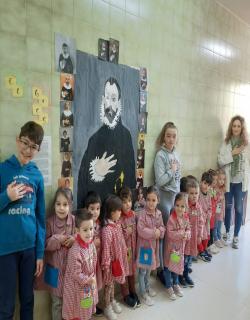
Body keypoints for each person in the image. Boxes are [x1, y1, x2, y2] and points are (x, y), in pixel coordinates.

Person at [0, 121, 45, 319]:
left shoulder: (36, 175)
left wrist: (40, 253)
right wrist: (6, 197)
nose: (28, 150)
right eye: (25, 143)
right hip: (6, 249)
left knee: (28, 300)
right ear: (18, 141)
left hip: (30, 249)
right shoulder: (3, 169)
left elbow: (41, 217)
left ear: (38, 149)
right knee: (6, 304)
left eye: (34, 147)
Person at [77, 77, 136, 207]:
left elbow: (131, 179)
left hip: (119, 210)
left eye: (113, 99)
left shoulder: (126, 136)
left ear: (119, 103)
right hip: (98, 210)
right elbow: (83, 182)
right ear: (103, 100)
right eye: (107, 98)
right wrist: (96, 172)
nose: (109, 104)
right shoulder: (94, 139)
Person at [218, 115, 249, 249]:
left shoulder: (246, 145)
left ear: (242, 128)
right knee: (228, 207)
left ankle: (236, 235)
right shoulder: (226, 143)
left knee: (239, 208)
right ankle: (227, 233)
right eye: (234, 125)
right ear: (231, 127)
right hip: (229, 182)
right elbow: (220, 160)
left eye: (238, 126)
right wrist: (233, 153)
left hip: (241, 182)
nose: (236, 128)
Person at [44, 188, 75, 320]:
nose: (61, 208)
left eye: (65, 204)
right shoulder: (50, 222)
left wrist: (74, 239)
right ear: (54, 205)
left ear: (70, 205)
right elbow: (44, 244)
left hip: (69, 271)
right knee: (57, 303)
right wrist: (57, 239)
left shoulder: (73, 220)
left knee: (69, 301)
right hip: (55, 272)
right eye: (58, 204)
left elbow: (80, 236)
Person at [62, 209, 98, 320]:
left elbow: (94, 259)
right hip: (76, 287)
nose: (89, 233)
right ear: (77, 230)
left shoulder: (90, 244)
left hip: (88, 284)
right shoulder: (75, 251)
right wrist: (88, 279)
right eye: (85, 230)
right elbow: (76, 273)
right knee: (77, 311)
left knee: (86, 307)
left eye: (91, 229)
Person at [101, 195, 129, 320]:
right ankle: (107, 307)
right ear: (112, 212)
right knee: (108, 286)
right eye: (118, 210)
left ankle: (112, 301)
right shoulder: (107, 230)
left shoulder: (116, 224)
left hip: (117, 261)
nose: (120, 212)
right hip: (110, 264)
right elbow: (106, 249)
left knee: (112, 285)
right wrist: (106, 266)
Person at [136, 186, 165, 306]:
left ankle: (147, 287)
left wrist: (160, 232)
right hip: (145, 249)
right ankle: (143, 293)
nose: (151, 203)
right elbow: (141, 230)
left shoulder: (159, 213)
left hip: (153, 248)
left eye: (153, 200)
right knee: (143, 271)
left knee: (148, 271)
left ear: (158, 200)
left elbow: (162, 227)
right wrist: (155, 232)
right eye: (148, 199)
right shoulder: (142, 214)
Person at [163, 193, 191, 300]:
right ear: (174, 205)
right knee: (168, 268)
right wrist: (181, 234)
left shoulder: (186, 218)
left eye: (182, 206)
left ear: (186, 208)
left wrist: (187, 234)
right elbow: (170, 234)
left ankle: (176, 283)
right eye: (177, 205)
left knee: (176, 266)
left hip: (178, 250)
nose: (179, 208)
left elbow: (189, 230)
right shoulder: (171, 219)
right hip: (170, 249)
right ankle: (168, 286)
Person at [154, 122, 181, 224]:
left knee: (174, 230)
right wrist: (171, 170)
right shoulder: (160, 155)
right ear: (163, 137)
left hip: (175, 197)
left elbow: (178, 177)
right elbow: (160, 181)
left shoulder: (176, 154)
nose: (171, 139)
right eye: (168, 136)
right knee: (164, 230)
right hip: (164, 197)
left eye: (174, 136)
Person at [118, 187, 140, 308]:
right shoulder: (119, 218)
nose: (128, 204)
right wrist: (127, 232)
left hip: (132, 249)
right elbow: (119, 237)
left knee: (132, 272)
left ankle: (133, 291)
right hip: (124, 251)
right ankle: (126, 294)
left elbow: (137, 232)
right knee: (125, 273)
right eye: (124, 202)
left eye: (129, 201)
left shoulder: (133, 215)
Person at [179, 179, 203, 288]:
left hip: (193, 238)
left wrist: (199, 235)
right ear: (187, 194)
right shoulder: (184, 207)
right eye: (191, 193)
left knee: (189, 258)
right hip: (184, 239)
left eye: (196, 193)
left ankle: (186, 274)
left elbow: (201, 222)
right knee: (182, 257)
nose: (194, 196)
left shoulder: (198, 207)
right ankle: (180, 275)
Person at [84, 191, 103, 316]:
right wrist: (92, 243)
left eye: (97, 209)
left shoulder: (99, 223)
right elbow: (81, 242)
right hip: (87, 264)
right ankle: (86, 310)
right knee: (87, 287)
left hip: (96, 262)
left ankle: (93, 306)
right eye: (92, 209)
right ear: (86, 209)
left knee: (95, 285)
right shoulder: (84, 224)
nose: (95, 212)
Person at [198, 171, 213, 262]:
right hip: (200, 219)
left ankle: (204, 249)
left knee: (207, 234)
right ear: (201, 182)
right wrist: (202, 215)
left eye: (208, 185)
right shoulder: (198, 194)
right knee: (200, 235)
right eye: (204, 183)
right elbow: (197, 206)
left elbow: (210, 206)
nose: (206, 186)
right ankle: (201, 251)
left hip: (206, 219)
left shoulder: (208, 194)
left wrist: (209, 214)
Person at [207, 169, 220, 255]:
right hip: (209, 214)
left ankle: (211, 243)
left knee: (212, 228)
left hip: (213, 213)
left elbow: (216, 200)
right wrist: (215, 196)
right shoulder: (209, 189)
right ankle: (209, 245)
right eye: (213, 179)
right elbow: (212, 199)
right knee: (209, 229)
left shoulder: (214, 189)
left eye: (216, 179)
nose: (215, 181)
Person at [214, 170, 227, 247]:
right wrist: (219, 197)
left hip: (221, 210)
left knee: (219, 224)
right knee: (215, 225)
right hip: (216, 211)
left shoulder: (223, 189)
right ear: (216, 179)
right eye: (220, 179)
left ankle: (219, 236)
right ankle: (215, 239)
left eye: (223, 179)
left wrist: (224, 211)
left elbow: (223, 201)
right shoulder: (214, 189)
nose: (222, 181)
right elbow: (214, 199)